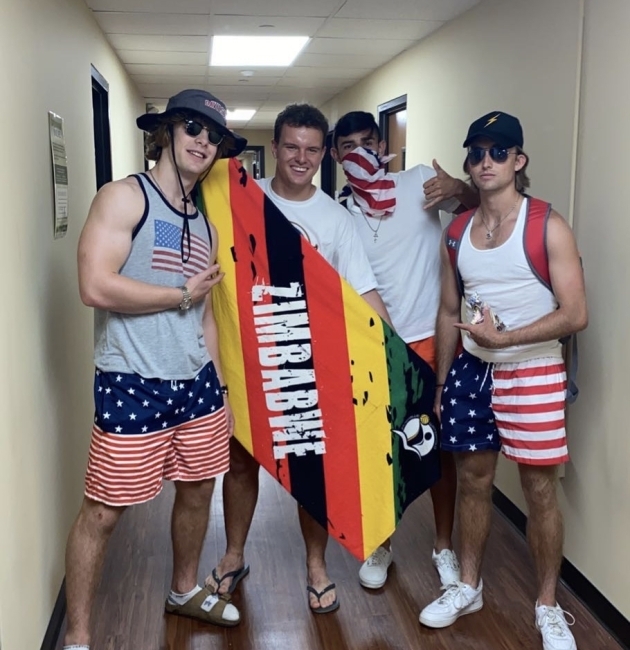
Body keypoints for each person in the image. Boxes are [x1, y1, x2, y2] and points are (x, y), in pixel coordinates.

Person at [62, 89, 248, 650]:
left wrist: (218, 384)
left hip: (196, 384)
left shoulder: (206, 223)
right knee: (102, 511)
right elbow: (94, 286)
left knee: (197, 489)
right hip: (131, 381)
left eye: (213, 136)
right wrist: (177, 294)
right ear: (166, 131)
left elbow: (207, 310)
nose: (203, 141)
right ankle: (78, 636)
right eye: (193, 128)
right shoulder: (124, 198)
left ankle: (183, 589)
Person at [206, 103, 392, 615]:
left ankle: (316, 567)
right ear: (277, 144)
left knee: (313, 472)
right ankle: (233, 555)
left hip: (311, 364)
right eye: (291, 146)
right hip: (249, 356)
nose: (301, 158)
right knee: (241, 463)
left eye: (312, 149)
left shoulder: (337, 219)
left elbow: (365, 294)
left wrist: (397, 358)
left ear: (323, 153)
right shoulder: (242, 201)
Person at [419, 111, 587, 650]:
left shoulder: (547, 225)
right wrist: (444, 384)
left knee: (539, 491)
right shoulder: (457, 233)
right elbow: (448, 311)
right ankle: (468, 584)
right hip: (471, 371)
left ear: (519, 161)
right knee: (471, 481)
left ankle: (547, 605)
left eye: (498, 152)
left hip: (533, 368)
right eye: (476, 153)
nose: (485, 162)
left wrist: (506, 340)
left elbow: (576, 312)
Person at [330, 111, 479, 590]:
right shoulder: (338, 209)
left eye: (366, 142)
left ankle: (442, 546)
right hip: (372, 347)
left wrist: (459, 187)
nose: (359, 152)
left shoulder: (417, 183)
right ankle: (381, 544)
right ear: (335, 155)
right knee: (379, 451)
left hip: (432, 340)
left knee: (438, 451)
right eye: (347, 145)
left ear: (381, 144)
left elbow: (478, 207)